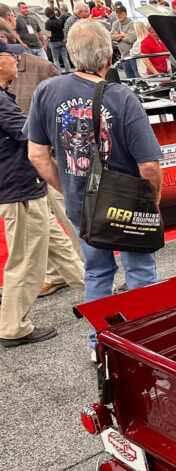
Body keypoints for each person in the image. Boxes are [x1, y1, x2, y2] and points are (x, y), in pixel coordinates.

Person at [26, 19, 163, 352]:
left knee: (97, 272)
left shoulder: (47, 91)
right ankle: (149, 342)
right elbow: (148, 165)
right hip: (126, 201)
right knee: (140, 270)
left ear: (71, 54)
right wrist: (152, 201)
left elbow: (37, 156)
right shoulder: (122, 96)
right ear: (109, 57)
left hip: (81, 204)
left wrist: (70, 190)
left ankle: (98, 344)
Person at [0, 37, 82, 346]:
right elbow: (25, 132)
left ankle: (96, 298)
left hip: (23, 187)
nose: (18, 63)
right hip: (18, 190)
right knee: (25, 262)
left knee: (60, 247)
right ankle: (11, 326)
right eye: (13, 57)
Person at [109, 3, 135, 78]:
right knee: (129, 79)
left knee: (137, 77)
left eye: (120, 13)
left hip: (133, 56)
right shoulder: (115, 23)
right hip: (123, 56)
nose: (118, 15)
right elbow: (110, 37)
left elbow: (131, 39)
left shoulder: (131, 23)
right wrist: (124, 34)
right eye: (117, 13)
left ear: (125, 13)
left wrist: (118, 37)